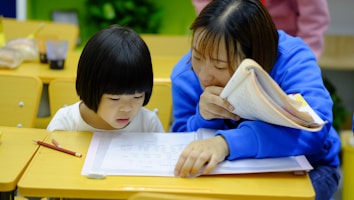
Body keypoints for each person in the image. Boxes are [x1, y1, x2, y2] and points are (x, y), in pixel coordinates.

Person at [171, 0, 340, 200]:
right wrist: (204, 118)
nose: (205, 76)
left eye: (220, 66)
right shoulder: (185, 74)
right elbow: (180, 142)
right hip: (223, 173)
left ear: (256, 58)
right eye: (197, 57)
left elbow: (314, 130)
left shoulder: (291, 58)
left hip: (308, 168)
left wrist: (225, 143)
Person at [47, 24, 164, 133]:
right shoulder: (66, 123)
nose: (127, 108)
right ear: (89, 88)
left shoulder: (149, 124)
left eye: (138, 96)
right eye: (114, 98)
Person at [191, 0, 330, 59]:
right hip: (229, 44)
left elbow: (313, 19)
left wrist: (303, 58)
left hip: (284, 49)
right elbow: (208, 9)